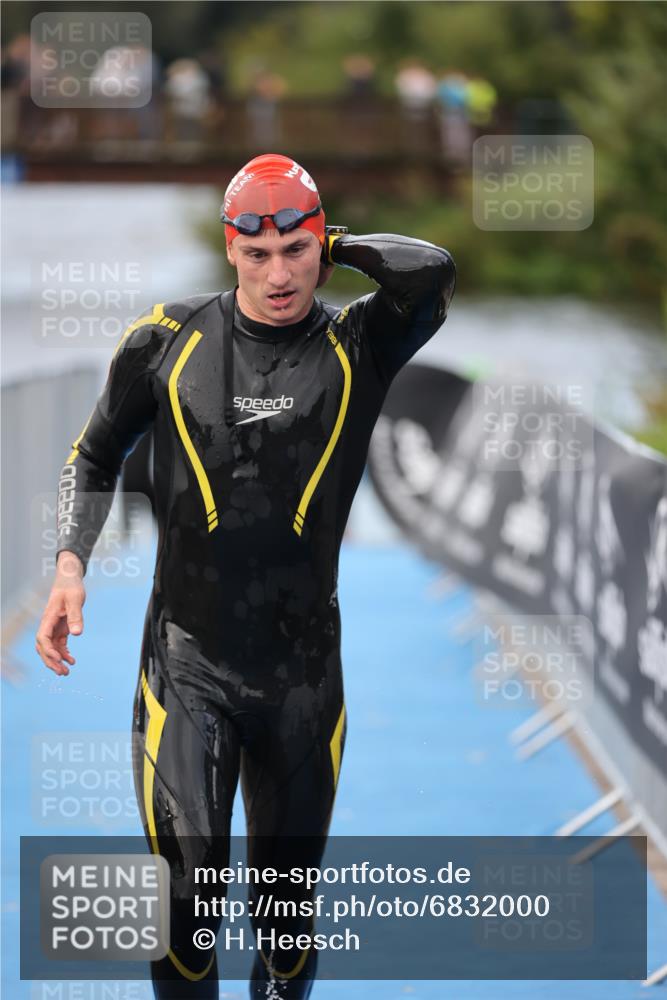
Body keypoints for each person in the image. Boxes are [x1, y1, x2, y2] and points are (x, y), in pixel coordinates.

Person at [36, 153, 456, 999]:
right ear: (229, 249)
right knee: (188, 903)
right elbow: (92, 455)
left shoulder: (358, 343)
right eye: (255, 253)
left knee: (286, 921)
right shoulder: (165, 338)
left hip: (303, 679)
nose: (277, 275)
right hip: (187, 665)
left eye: (297, 252)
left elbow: (431, 270)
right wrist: (70, 565)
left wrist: (333, 239)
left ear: (321, 246)